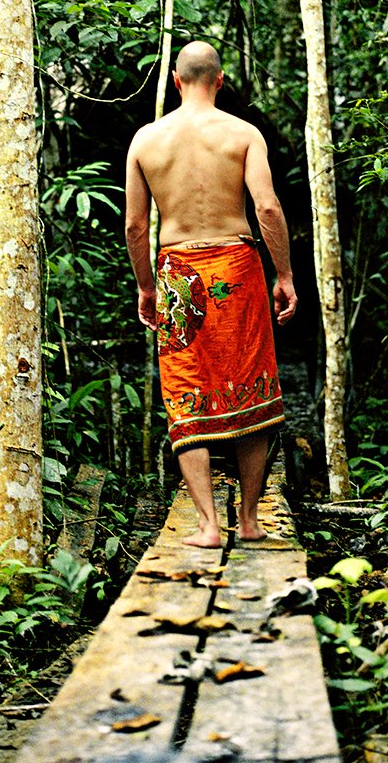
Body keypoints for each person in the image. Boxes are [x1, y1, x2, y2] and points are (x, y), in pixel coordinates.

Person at [124, 41, 298, 548]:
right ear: (219, 81)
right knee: (251, 381)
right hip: (238, 267)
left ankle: (206, 526)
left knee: (184, 388)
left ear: (176, 81)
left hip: (177, 270)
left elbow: (137, 225)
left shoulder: (145, 140)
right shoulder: (243, 134)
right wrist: (283, 274)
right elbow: (266, 208)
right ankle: (248, 520)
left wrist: (145, 286)